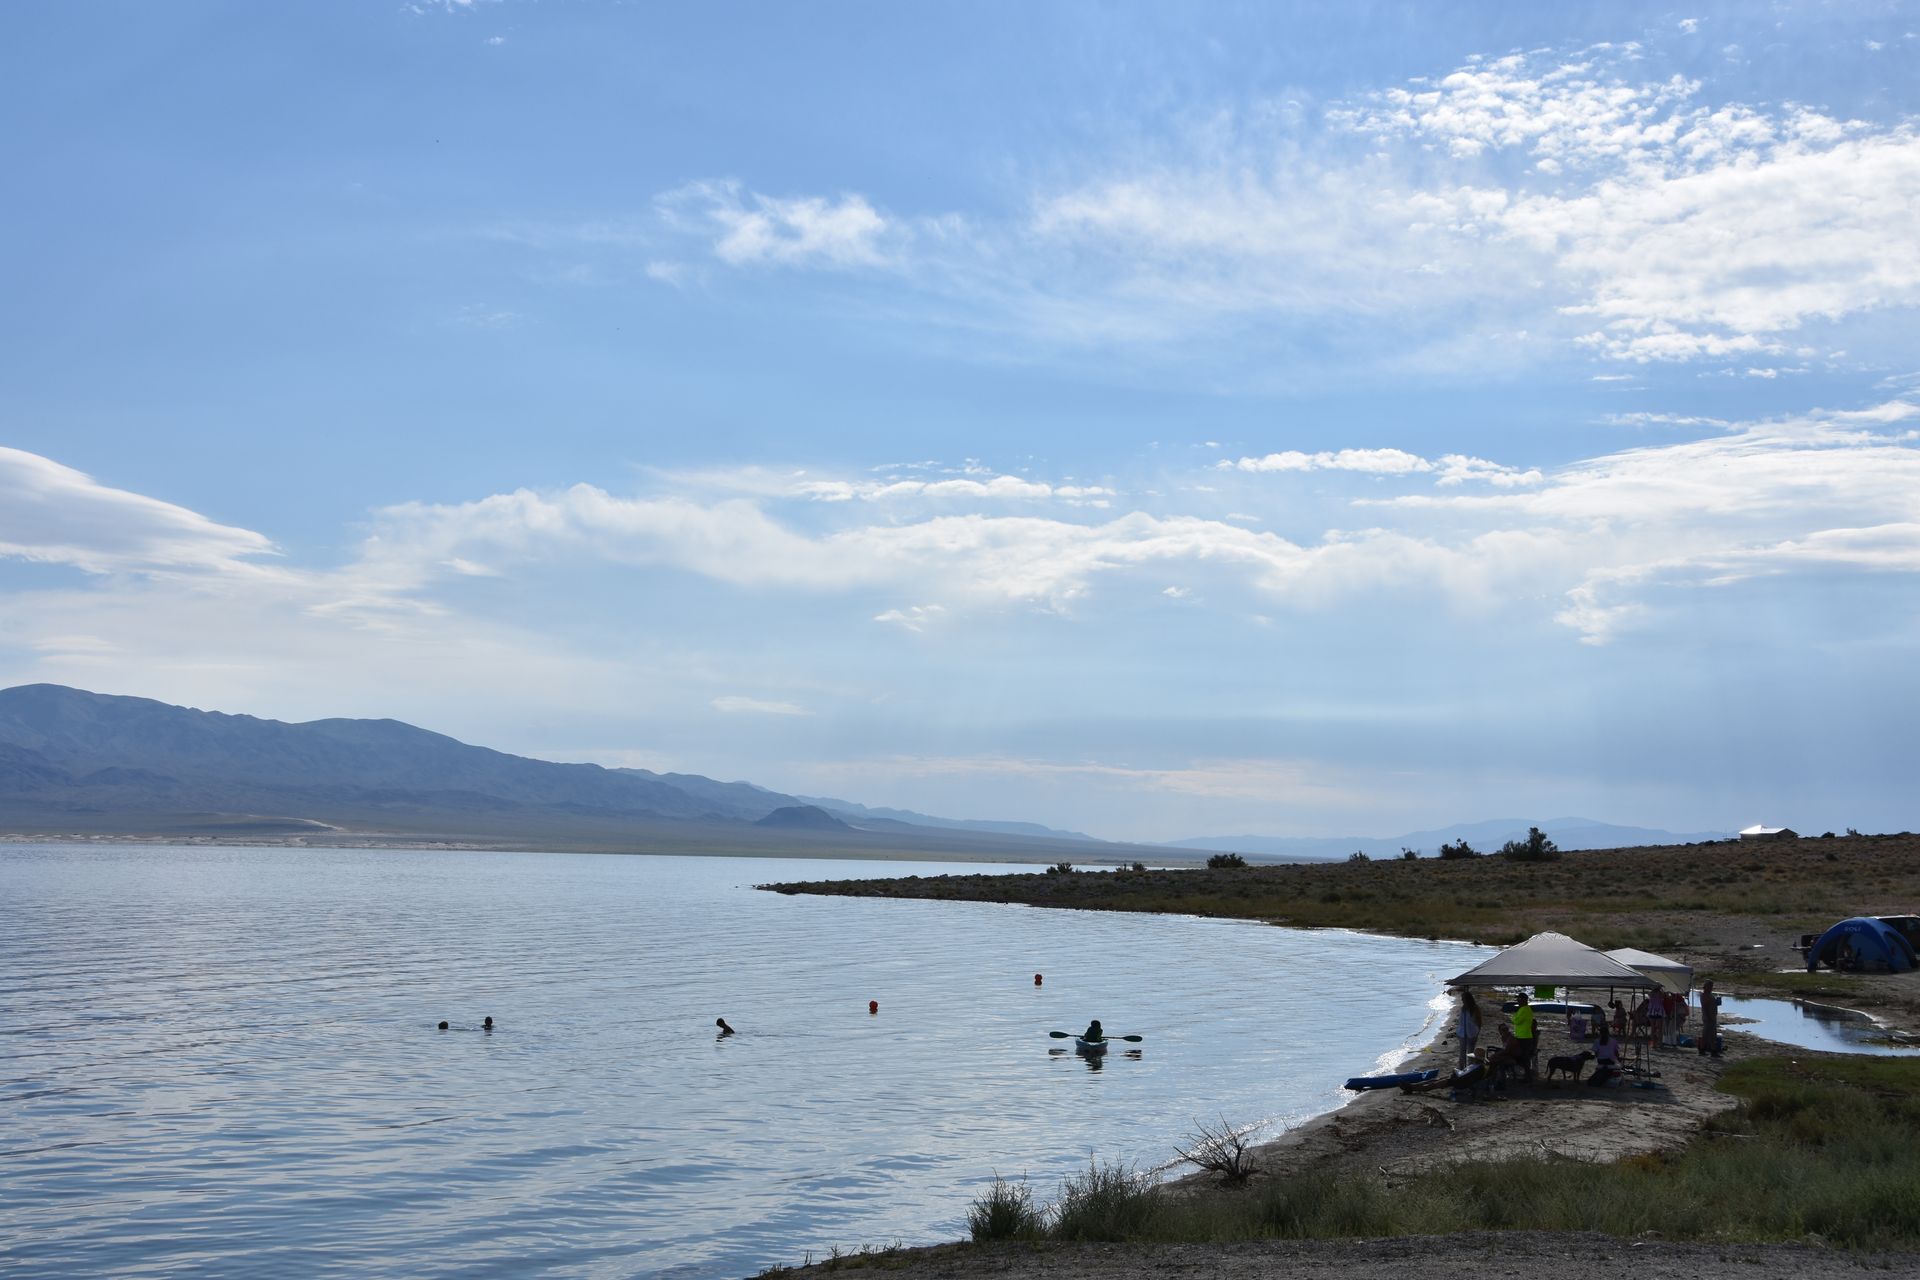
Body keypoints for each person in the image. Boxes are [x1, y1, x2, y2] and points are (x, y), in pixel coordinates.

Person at [1402, 1050, 1490, 1095]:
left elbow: (1462, 1075)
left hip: (1459, 1081)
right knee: (1434, 1080)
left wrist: (1455, 1070)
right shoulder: (1479, 1067)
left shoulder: (1475, 1067)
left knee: (1434, 1084)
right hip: (1460, 1079)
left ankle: (1412, 1088)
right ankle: (1412, 1086)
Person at [1510, 991, 1537, 1083]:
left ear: (1524, 1000)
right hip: (1524, 1036)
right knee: (1524, 1058)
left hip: (1523, 1037)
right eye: (1518, 999)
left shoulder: (1523, 1010)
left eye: (1519, 999)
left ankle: (1527, 1077)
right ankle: (1527, 1076)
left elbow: (1516, 1021)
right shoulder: (1527, 1009)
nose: (1518, 1001)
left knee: (1523, 1058)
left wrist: (1514, 1016)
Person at [1587, 1022, 1623, 1087]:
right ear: (1608, 1033)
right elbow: (1616, 1053)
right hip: (1610, 1061)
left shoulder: (1597, 1041)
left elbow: (1596, 1054)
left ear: (1600, 1033)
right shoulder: (1613, 1041)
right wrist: (1618, 1059)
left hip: (1601, 1061)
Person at [1456, 990, 1482, 1068]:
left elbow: (1479, 1022)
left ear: (1467, 999)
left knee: (1470, 1053)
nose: (1462, 1000)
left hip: (1472, 1033)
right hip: (1462, 1033)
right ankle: (1461, 1068)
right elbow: (1461, 1021)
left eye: (1463, 999)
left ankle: (1469, 1068)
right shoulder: (1463, 1008)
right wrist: (1458, 1031)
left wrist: (1477, 1032)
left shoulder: (1475, 1008)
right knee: (1462, 1052)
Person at [1698, 979, 1722, 1057]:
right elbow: (1704, 1007)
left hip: (1712, 1017)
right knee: (1707, 1035)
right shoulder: (1704, 995)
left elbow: (1711, 1004)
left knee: (1711, 1035)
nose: (1711, 987)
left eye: (1712, 986)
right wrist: (1707, 1016)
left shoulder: (1710, 994)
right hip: (1708, 1018)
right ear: (1706, 986)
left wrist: (1716, 1003)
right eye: (1710, 986)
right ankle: (1707, 1051)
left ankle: (1709, 1050)